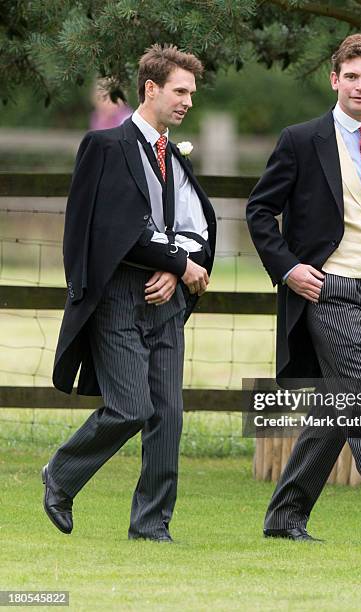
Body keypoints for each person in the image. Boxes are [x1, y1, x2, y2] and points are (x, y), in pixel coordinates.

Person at [246, 34, 361, 546]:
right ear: (334, 79)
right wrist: (289, 268)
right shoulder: (302, 139)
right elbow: (260, 211)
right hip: (328, 290)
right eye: (352, 76)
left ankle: (284, 517)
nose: (360, 86)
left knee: (336, 406)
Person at [42, 44, 216, 543]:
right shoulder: (105, 147)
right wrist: (176, 263)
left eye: (191, 94)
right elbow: (111, 230)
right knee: (130, 408)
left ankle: (151, 526)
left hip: (165, 301)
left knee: (167, 415)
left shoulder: (172, 155)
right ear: (151, 89)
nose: (187, 102)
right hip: (116, 299)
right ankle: (61, 475)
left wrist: (183, 266)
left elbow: (194, 223)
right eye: (179, 91)